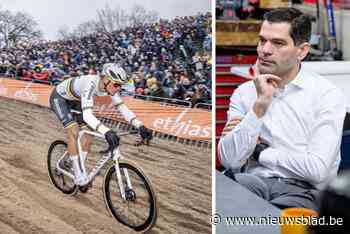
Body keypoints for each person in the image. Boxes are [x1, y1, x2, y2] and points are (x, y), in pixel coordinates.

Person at [218, 8, 346, 211]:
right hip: (250, 182)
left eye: (278, 43)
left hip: (304, 192)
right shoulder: (244, 93)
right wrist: (260, 106)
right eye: (262, 40)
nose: (265, 50)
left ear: (302, 51)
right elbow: (229, 160)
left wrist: (259, 153)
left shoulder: (327, 95)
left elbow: (316, 170)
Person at [50, 63, 153, 186]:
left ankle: (76, 165)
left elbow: (121, 107)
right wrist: (107, 132)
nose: (118, 88)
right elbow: (88, 115)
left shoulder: (110, 87)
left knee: (89, 135)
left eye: (120, 86)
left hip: (77, 100)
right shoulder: (90, 84)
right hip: (60, 98)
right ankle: (78, 175)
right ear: (106, 80)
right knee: (74, 131)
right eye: (116, 85)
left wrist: (139, 125)